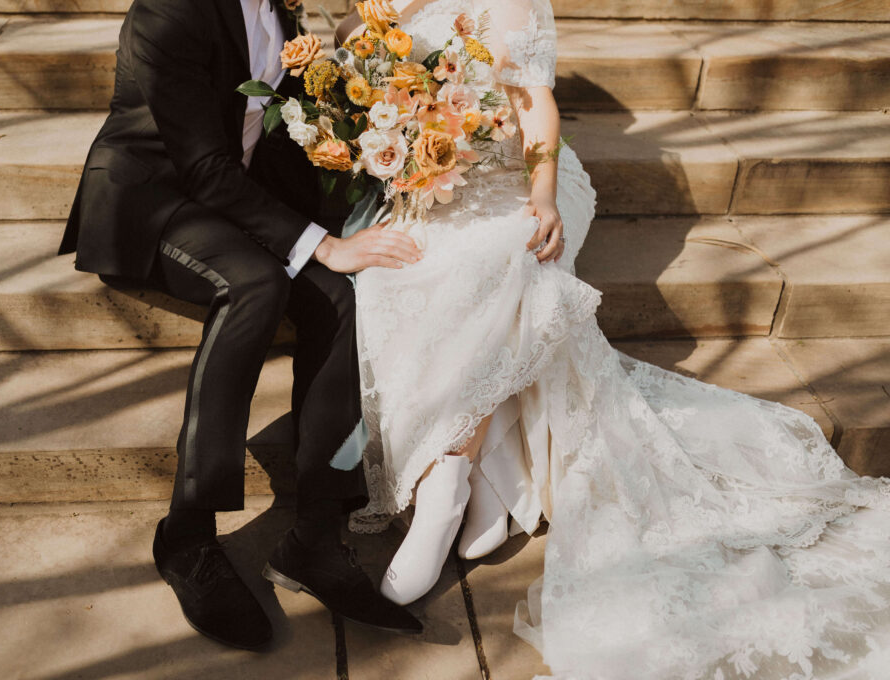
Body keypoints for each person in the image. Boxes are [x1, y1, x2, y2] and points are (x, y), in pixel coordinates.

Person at [337, 0, 890, 678]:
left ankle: (443, 489)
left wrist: (542, 195)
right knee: (395, 272)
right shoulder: (384, 2)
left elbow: (534, 105)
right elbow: (362, 66)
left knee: (500, 264)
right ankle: (491, 479)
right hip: (436, 185)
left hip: (522, 179)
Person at [58, 0, 425, 650]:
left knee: (341, 295)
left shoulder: (277, 6)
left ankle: (314, 536)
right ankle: (186, 534)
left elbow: (271, 126)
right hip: (151, 197)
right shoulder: (170, 11)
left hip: (234, 194)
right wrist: (321, 243)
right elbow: (201, 165)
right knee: (255, 284)